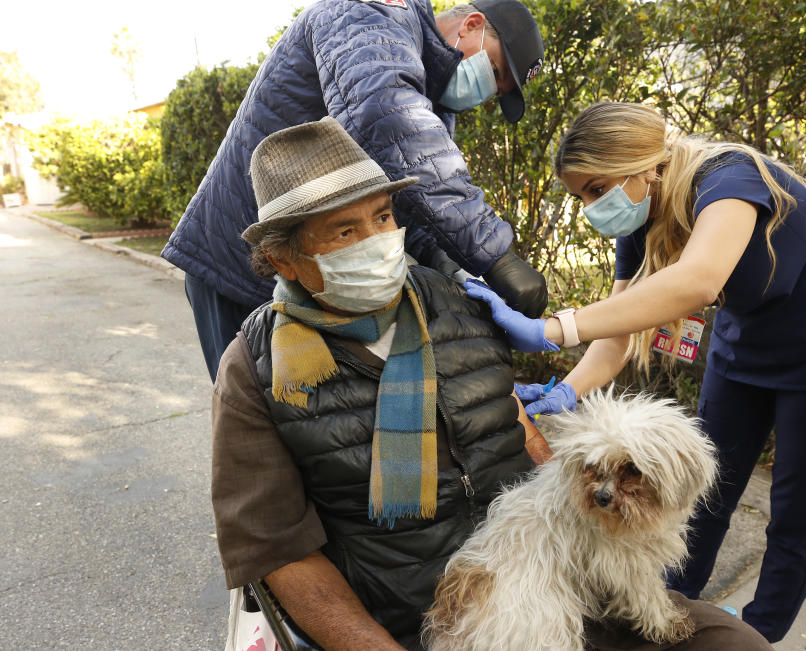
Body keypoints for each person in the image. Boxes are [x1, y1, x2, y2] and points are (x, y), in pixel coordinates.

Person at [212, 117, 774, 650]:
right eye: (344, 229)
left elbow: (521, 430)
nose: (378, 240)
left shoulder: (458, 304)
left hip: (562, 565)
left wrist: (590, 472)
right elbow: (277, 551)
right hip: (419, 612)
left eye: (383, 217)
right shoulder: (255, 368)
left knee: (736, 642)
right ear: (283, 258)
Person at [463, 101, 806, 643]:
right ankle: (669, 612)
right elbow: (618, 332)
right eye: (581, 196)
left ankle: (758, 633)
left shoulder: (730, 177)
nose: (591, 207)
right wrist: (568, 390)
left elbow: (698, 281)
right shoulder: (641, 220)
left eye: (596, 189)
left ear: (644, 163)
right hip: (744, 354)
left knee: (796, 510)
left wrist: (552, 327)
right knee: (692, 496)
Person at [163, 0, 550, 382]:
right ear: (472, 24)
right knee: (254, 419)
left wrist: (452, 267)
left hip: (319, 275)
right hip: (239, 265)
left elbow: (403, 199)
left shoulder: (430, 97)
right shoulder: (369, 13)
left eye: (497, 93)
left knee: (323, 431)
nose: (486, 93)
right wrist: (495, 255)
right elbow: (385, 117)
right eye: (495, 72)